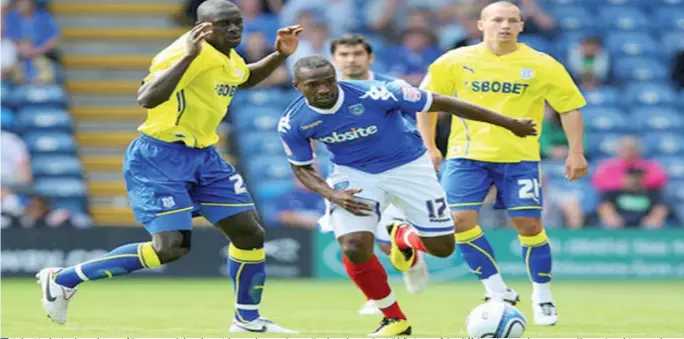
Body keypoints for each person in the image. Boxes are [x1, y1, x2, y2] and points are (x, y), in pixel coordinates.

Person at [36, 0, 301, 334]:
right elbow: (146, 98)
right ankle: (63, 279)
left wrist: (279, 55)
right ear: (202, 27)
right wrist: (189, 56)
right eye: (224, 24)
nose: (234, 30)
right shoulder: (180, 53)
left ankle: (246, 318)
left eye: (237, 23)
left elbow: (243, 79)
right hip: (159, 157)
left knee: (250, 233)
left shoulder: (228, 56)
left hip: (204, 155)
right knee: (170, 249)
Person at [278, 55, 537, 336]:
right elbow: (302, 168)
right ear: (297, 85)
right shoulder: (293, 122)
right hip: (354, 175)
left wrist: (508, 122)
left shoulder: (376, 92)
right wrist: (332, 194)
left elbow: (442, 102)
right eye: (314, 85)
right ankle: (395, 320)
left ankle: (402, 236)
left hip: (410, 167)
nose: (324, 90)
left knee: (442, 248)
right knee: (353, 246)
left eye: (329, 82)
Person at [415, 1, 588, 326]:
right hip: (467, 156)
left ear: (521, 25)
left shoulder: (542, 63)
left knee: (529, 226)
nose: (504, 25)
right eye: (497, 20)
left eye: (512, 20)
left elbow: (569, 107)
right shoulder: (455, 60)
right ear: (481, 25)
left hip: (519, 159)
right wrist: (429, 146)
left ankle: (543, 295)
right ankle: (496, 289)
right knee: (458, 221)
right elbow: (426, 103)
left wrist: (575, 151)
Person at [329, 33, 429, 316]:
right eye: (344, 55)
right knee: (351, 241)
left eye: (357, 54)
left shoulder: (391, 86)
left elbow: (420, 115)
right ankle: (377, 296)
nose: (351, 59)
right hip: (349, 173)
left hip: (397, 169)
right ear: (335, 60)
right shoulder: (327, 89)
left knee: (386, 237)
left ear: (369, 57)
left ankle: (410, 260)